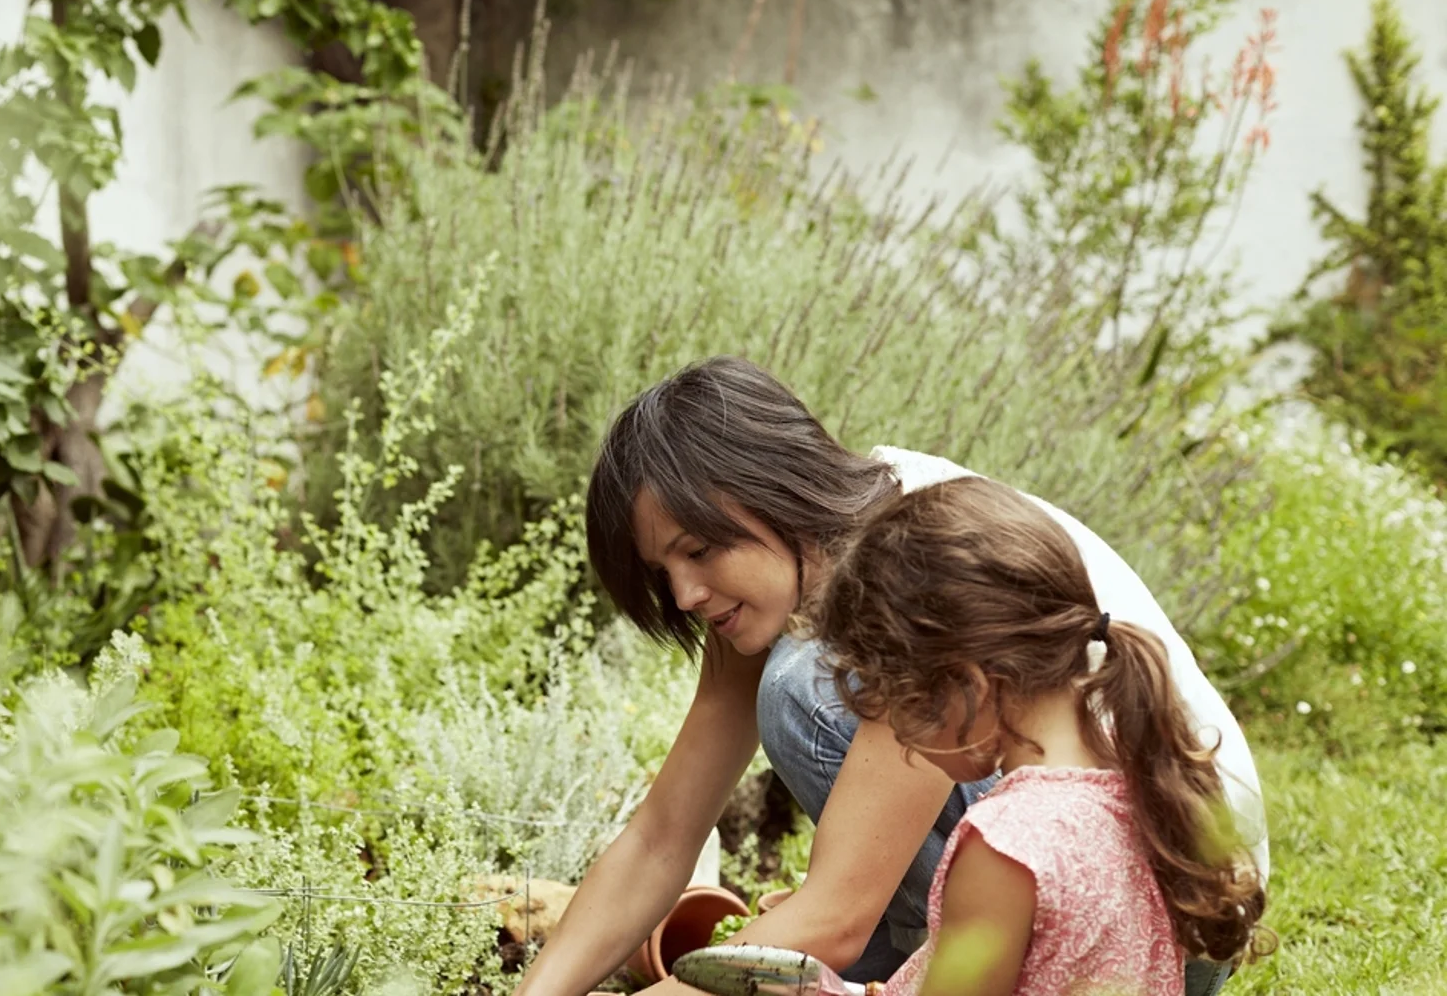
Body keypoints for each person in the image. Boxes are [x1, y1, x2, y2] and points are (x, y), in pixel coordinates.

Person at [511, 356, 1268, 996]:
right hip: (1147, 911)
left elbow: (836, 915)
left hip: (1160, 927)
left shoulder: (910, 569)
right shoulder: (779, 568)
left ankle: (929, 951)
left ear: (774, 492)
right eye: (663, 570)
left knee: (799, 689)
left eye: (700, 549)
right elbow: (661, 836)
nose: (684, 594)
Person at [811, 474, 1272, 994]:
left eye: (893, 705)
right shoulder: (1140, 789)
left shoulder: (1005, 848)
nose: (902, 741)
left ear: (967, 686)